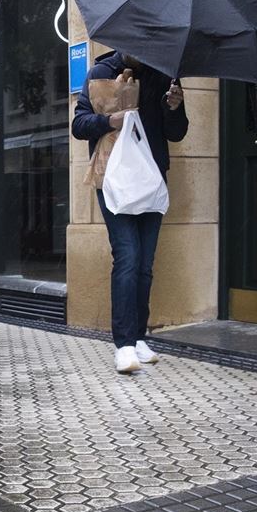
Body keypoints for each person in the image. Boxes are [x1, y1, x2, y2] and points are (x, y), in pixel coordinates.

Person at [73, 51, 188, 374]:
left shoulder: (164, 74)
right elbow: (79, 125)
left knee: (145, 264)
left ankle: (138, 338)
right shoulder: (101, 72)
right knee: (128, 256)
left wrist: (174, 107)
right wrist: (111, 120)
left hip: (150, 180)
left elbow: (176, 132)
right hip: (113, 179)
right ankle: (123, 345)